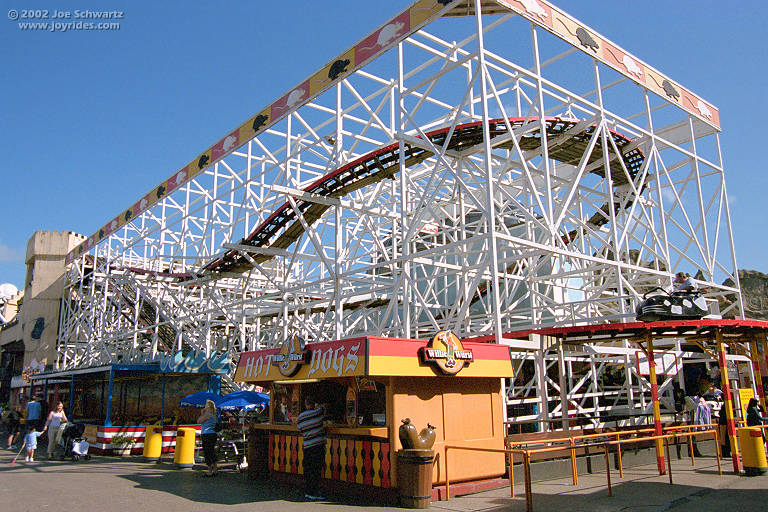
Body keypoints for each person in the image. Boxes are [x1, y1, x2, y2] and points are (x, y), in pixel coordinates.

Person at [297, 397, 326, 501]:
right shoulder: (317, 412)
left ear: (305, 405)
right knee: (316, 469)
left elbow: (299, 429)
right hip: (317, 446)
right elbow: (325, 408)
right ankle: (314, 492)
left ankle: (309, 491)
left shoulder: (300, 416)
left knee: (308, 470)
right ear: (313, 405)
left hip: (307, 446)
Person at [197, 399, 218, 477]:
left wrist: (202, 414)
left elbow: (198, 421)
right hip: (213, 434)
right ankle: (215, 469)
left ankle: (209, 470)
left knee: (207, 452)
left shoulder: (207, 414)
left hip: (206, 434)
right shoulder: (214, 415)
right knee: (212, 451)